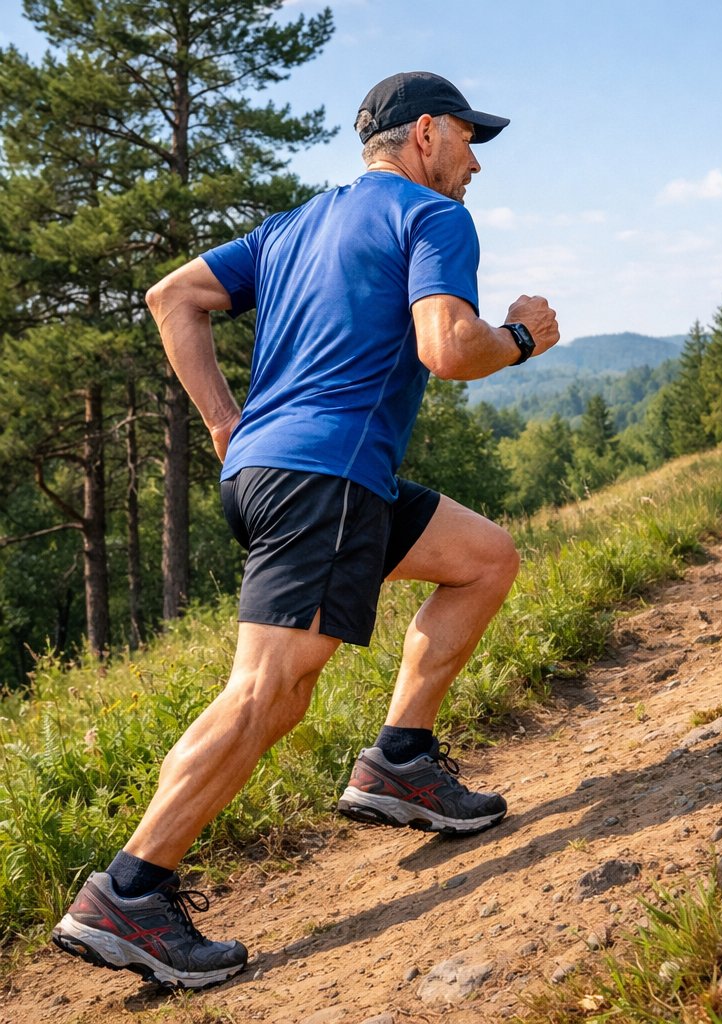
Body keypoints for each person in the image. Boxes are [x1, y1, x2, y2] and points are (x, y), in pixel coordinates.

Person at [51, 70, 559, 991]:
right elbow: (446, 348)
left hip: (287, 474)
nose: (475, 160)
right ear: (425, 136)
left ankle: (401, 761)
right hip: (325, 482)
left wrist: (220, 422)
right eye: (467, 138)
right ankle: (130, 892)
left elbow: (174, 297)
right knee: (270, 692)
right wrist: (523, 338)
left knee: (484, 557)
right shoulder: (431, 216)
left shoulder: (292, 225)